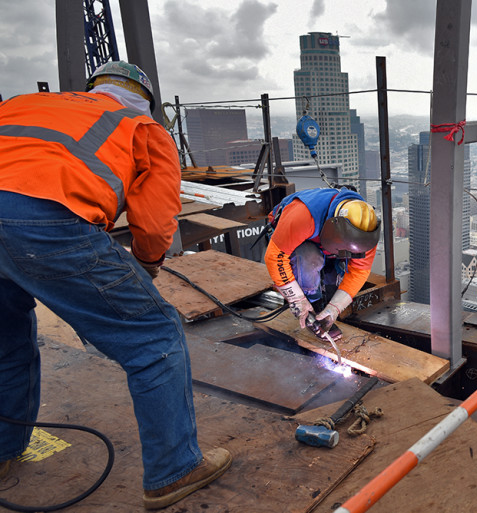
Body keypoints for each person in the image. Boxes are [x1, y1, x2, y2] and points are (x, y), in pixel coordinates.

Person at [0, 60, 231, 509]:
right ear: (143, 99)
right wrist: (145, 267)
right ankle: (174, 470)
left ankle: (3, 451)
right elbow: (156, 217)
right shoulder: (142, 127)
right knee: (154, 335)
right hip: (47, 221)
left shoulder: (26, 104)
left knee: (5, 339)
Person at [265, 187, 381, 336]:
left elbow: (358, 272)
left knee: (333, 280)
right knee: (309, 258)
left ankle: (323, 306)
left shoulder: (366, 232)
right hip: (294, 242)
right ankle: (311, 307)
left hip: (325, 243)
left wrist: (334, 308)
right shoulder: (303, 216)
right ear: (335, 225)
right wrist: (296, 299)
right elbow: (275, 257)